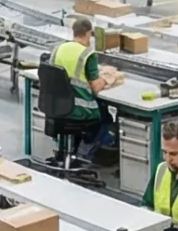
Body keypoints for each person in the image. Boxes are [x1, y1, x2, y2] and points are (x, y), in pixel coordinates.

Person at [49, 15, 123, 143]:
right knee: (106, 116)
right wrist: (108, 78)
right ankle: (91, 150)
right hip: (80, 110)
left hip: (57, 108)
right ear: (88, 33)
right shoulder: (87, 54)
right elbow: (95, 88)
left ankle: (71, 150)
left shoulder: (58, 49)